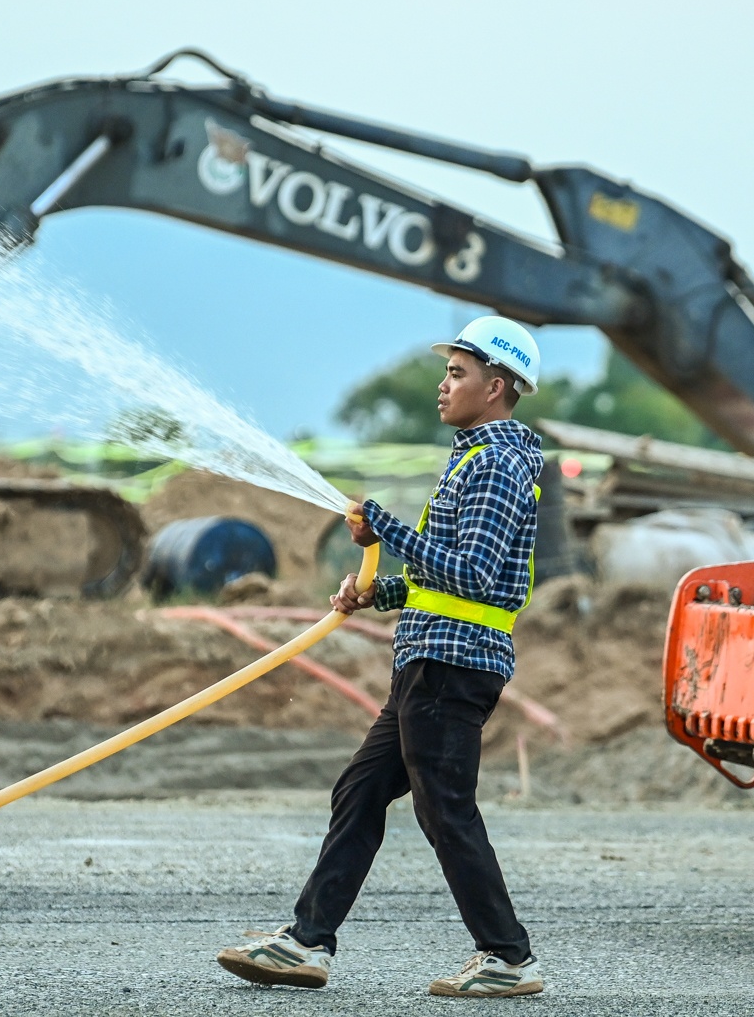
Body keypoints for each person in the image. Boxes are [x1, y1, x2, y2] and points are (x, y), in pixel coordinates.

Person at [217, 316, 547, 998]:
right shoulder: (476, 456)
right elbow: (446, 574)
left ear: (497, 386)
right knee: (362, 791)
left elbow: (476, 574)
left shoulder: (495, 464)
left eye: (458, 373)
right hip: (432, 659)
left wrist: (386, 527)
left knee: (444, 809)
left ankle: (508, 958)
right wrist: (382, 591)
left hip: (452, 665)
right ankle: (305, 944)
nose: (443, 383)